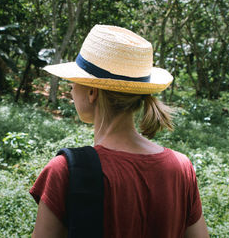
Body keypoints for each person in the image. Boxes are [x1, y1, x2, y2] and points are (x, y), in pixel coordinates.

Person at [30, 25, 209, 237]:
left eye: (73, 82)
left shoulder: (64, 171)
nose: (70, 89)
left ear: (92, 92)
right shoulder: (181, 168)